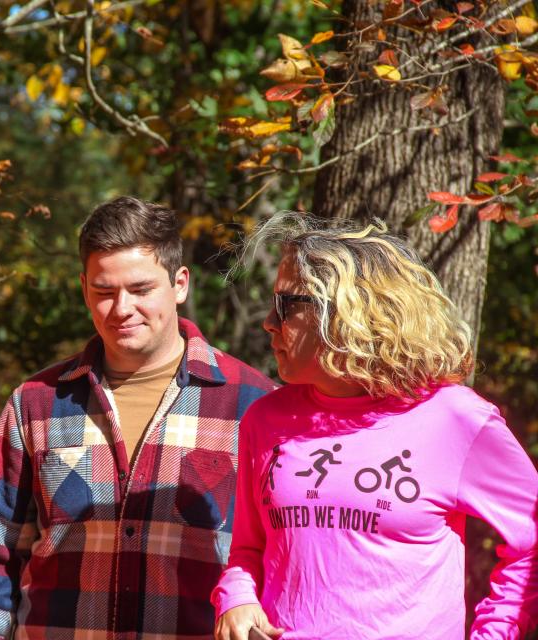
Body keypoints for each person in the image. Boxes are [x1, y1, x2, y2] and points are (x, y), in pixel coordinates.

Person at [0, 196, 275, 639]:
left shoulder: (254, 405)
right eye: (104, 292)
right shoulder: (37, 404)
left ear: (180, 284)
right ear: (83, 289)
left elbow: (286, 561)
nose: (121, 309)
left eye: (140, 290)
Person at [213, 214, 538, 640]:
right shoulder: (266, 419)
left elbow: (530, 541)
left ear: (349, 311)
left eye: (286, 306)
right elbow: (249, 550)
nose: (269, 323)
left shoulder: (454, 418)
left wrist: (495, 633)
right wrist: (237, 597)